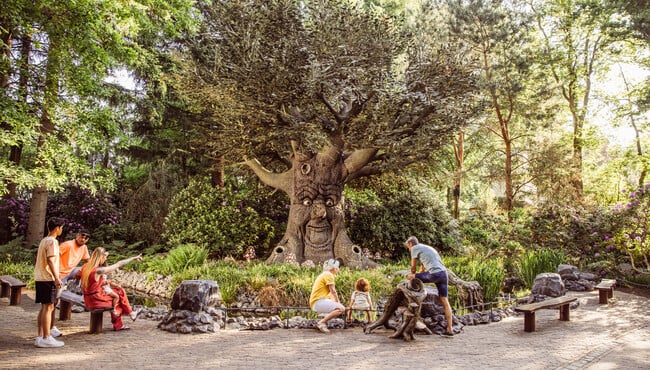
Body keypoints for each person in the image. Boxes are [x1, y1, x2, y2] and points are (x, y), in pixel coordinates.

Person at [80, 248, 143, 331]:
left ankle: (127, 317)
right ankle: (128, 316)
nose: (105, 259)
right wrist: (133, 258)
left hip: (88, 299)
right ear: (101, 257)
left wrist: (108, 283)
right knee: (119, 294)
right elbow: (119, 264)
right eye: (105, 257)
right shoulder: (98, 270)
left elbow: (92, 284)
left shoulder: (85, 267)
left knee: (118, 292)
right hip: (96, 300)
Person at [405, 236, 454, 337]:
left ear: (410, 244)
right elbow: (424, 264)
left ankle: (414, 311)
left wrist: (413, 275)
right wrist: (421, 273)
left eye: (408, 247)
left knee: (410, 277)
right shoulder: (427, 248)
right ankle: (450, 329)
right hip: (443, 274)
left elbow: (413, 267)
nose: (409, 249)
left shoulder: (414, 248)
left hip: (434, 274)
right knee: (445, 300)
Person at [34, 217, 65, 348]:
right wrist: (57, 278)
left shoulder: (44, 240)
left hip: (40, 277)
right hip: (48, 278)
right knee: (49, 307)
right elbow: (51, 260)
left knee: (44, 307)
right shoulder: (52, 241)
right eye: (61, 227)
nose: (62, 230)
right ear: (57, 228)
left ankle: (40, 336)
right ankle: (46, 337)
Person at [309, 259, 345, 333]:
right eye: (338, 268)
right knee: (341, 309)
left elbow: (331, 294)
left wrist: (336, 303)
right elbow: (333, 291)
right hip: (318, 302)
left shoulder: (324, 274)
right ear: (334, 268)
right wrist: (338, 303)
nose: (338, 270)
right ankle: (322, 322)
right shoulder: (329, 275)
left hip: (316, 302)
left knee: (339, 307)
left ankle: (323, 322)